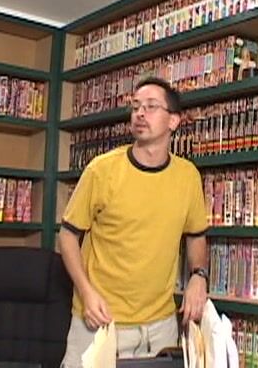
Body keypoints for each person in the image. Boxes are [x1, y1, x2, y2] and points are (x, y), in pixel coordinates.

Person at [59, 77, 209, 367]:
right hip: (100, 321)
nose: (140, 113)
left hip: (161, 327)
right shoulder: (102, 170)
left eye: (151, 106)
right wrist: (86, 293)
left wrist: (198, 276)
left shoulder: (188, 176)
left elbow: (196, 235)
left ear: (174, 121)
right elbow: (67, 236)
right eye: (136, 106)